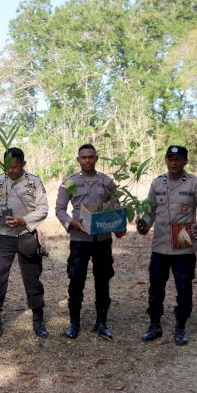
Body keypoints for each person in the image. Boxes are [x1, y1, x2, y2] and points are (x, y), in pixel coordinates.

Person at [137, 145, 197, 345]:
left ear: (185, 162)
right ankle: (155, 324)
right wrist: (144, 224)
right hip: (160, 246)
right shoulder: (157, 183)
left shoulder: (195, 184)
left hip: (183, 245)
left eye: (178, 159)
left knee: (183, 286)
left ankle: (181, 326)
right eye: (170, 158)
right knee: (156, 286)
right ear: (166, 160)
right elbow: (150, 209)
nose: (173, 162)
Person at [55, 144, 125, 340]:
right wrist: (71, 222)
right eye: (83, 157)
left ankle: (101, 322)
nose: (87, 160)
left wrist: (120, 226)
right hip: (79, 240)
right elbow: (60, 209)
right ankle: (74, 323)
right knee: (76, 281)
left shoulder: (107, 182)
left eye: (91, 157)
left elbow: (116, 208)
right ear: (78, 160)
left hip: (102, 240)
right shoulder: (70, 182)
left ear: (96, 158)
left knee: (103, 281)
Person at [0, 147, 49, 339]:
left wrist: (23, 220)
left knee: (32, 278)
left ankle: (38, 317)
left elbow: (43, 209)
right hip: (2, 235)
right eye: (8, 167)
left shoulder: (34, 182)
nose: (11, 170)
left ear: (23, 164)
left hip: (26, 235)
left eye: (15, 167)